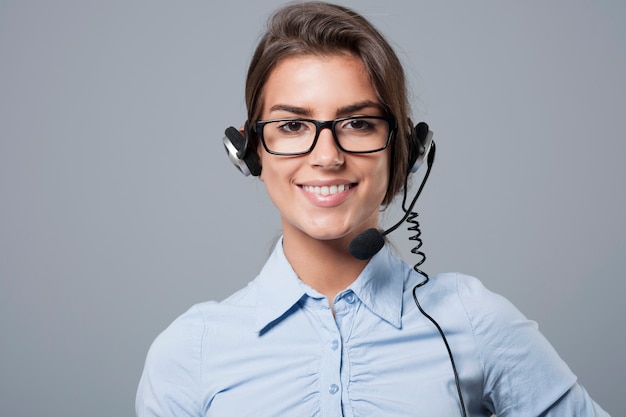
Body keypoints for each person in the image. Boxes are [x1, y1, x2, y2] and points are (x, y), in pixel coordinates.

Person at [136, 2, 609, 416]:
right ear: (250, 151)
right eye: (294, 125)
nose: (327, 156)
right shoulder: (189, 351)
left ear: (403, 150)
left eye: (358, 123)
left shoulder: (474, 321)